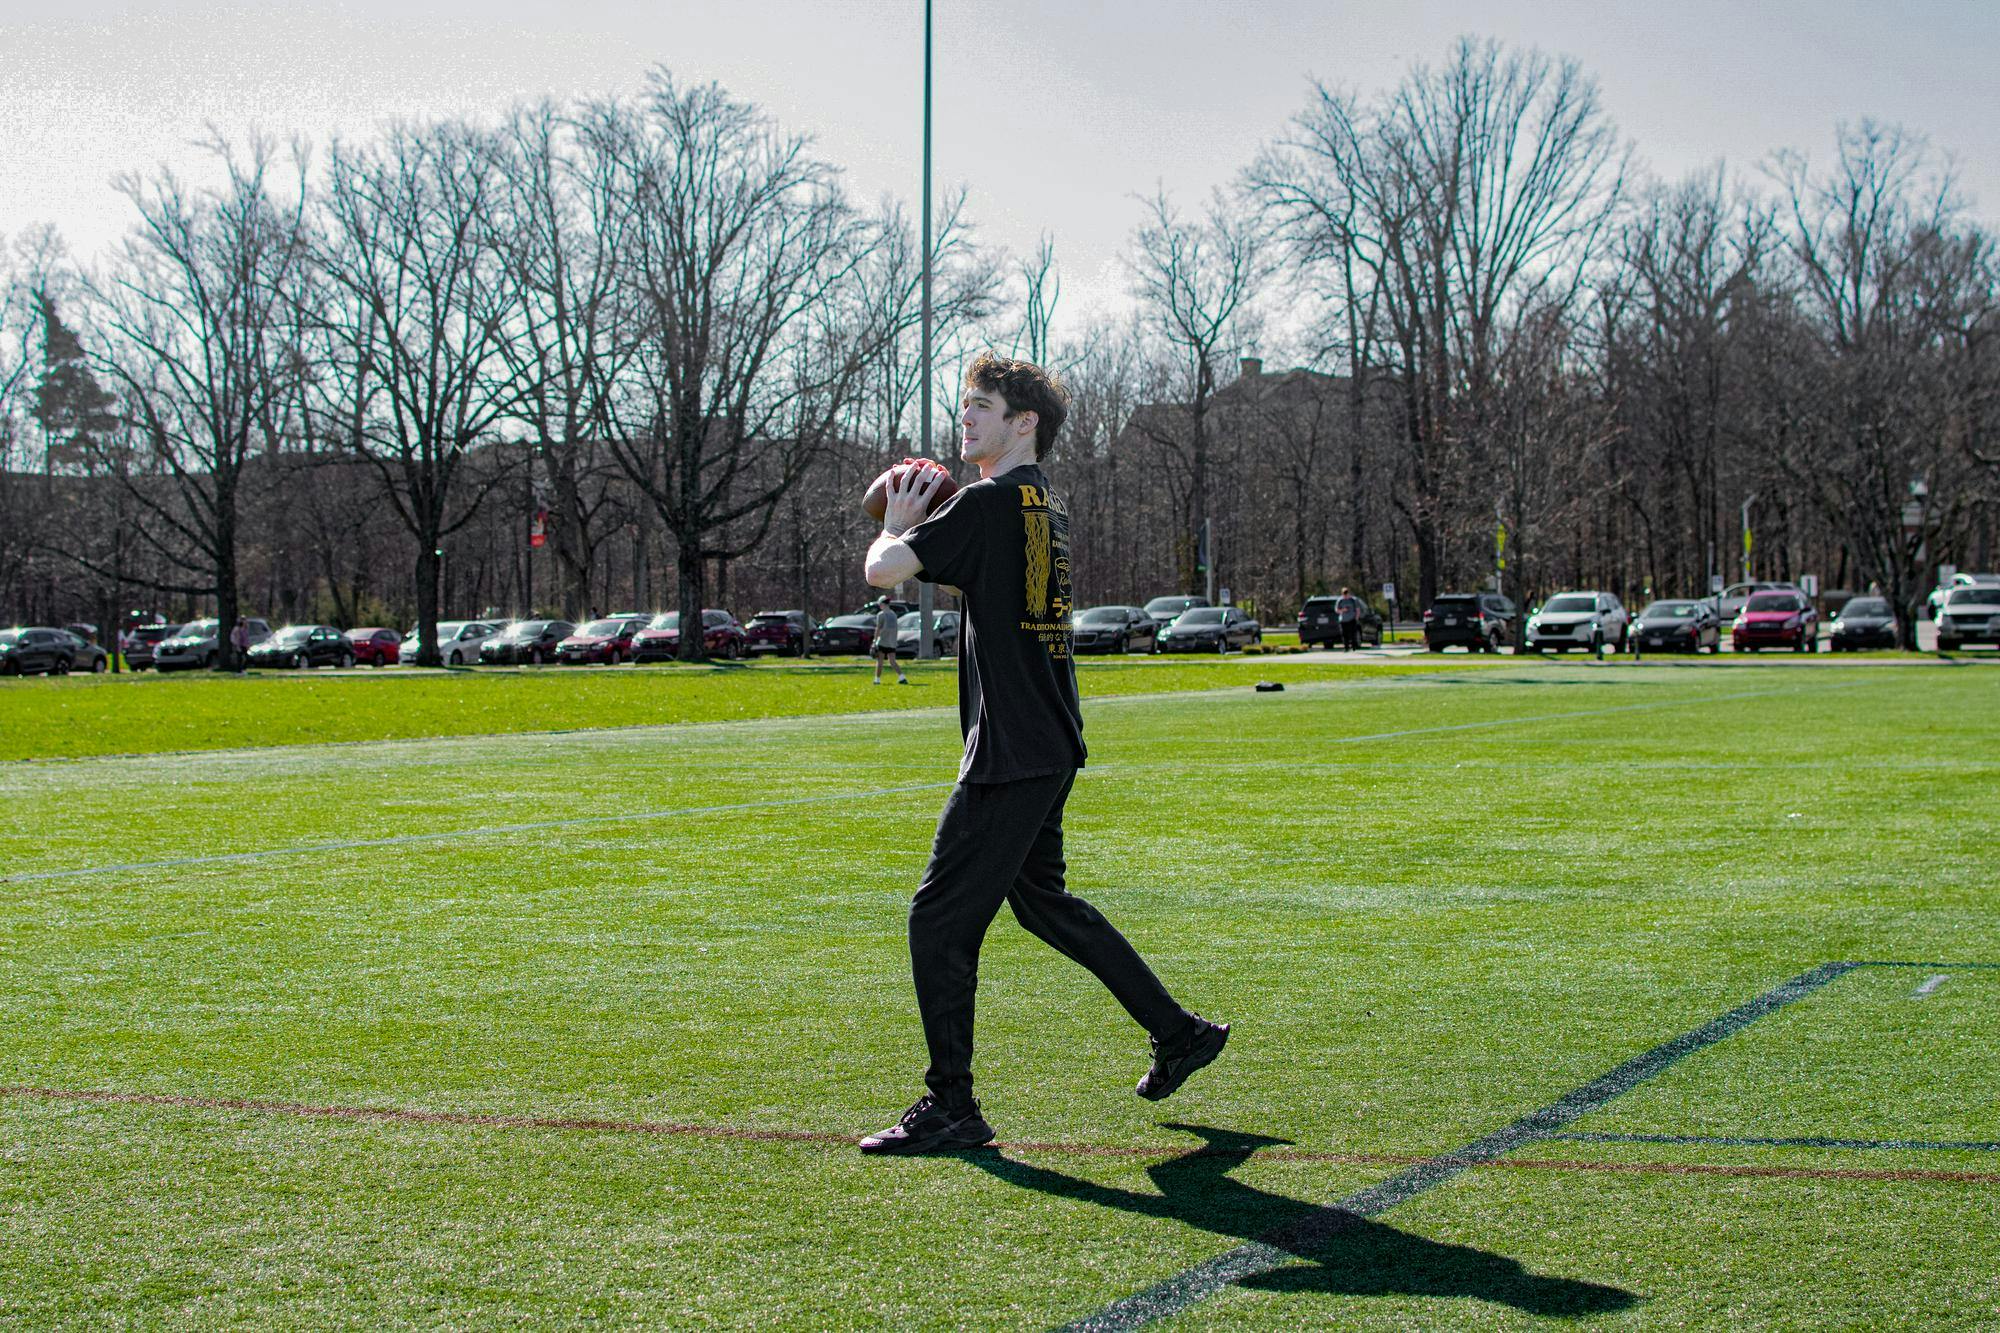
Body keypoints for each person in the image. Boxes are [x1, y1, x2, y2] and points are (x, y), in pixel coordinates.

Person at [855, 352, 1228, 1155]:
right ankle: (1180, 1032)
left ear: (1024, 423)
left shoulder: (990, 499)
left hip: (1013, 746)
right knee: (1042, 904)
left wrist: (897, 521)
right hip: (1051, 736)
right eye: (965, 406)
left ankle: (952, 1104)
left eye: (982, 407)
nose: (966, 418)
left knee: (937, 921)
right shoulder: (1043, 501)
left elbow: (884, 571)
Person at [871, 595, 908, 685]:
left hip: (883, 641)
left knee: (880, 661)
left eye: (880, 604)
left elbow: (878, 628)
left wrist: (874, 641)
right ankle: (902, 677)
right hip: (892, 642)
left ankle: (877, 680)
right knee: (892, 661)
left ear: (883, 604)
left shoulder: (881, 614)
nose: (880, 606)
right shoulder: (893, 614)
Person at [1334, 586, 1362, 651]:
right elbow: (1336, 610)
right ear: (1342, 593)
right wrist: (1343, 610)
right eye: (1344, 593)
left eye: (1346, 593)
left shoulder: (1353, 600)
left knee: (1353, 634)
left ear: (1348, 593)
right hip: (1343, 620)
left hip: (1352, 619)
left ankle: (1354, 646)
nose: (1345, 594)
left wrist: (1356, 618)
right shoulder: (1340, 600)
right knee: (1344, 634)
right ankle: (1346, 647)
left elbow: (1357, 610)